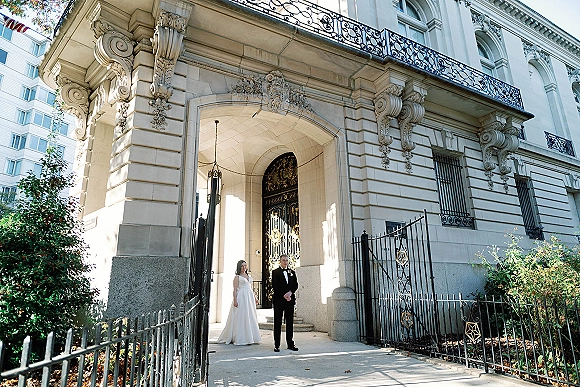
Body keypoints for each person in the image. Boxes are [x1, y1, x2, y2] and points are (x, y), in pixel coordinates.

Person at [217, 260, 261, 345]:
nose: (244, 267)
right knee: (241, 315)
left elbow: (250, 288)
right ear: (239, 267)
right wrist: (235, 300)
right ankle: (241, 337)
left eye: (245, 265)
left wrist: (255, 298)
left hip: (249, 297)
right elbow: (235, 290)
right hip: (241, 297)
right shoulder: (237, 277)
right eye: (242, 266)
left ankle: (251, 336)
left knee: (250, 315)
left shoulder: (249, 275)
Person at [271, 254, 299, 352]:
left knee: (290, 322)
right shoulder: (275, 272)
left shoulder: (292, 272)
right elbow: (275, 286)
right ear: (280, 261)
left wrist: (290, 293)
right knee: (277, 323)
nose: (285, 262)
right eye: (283, 260)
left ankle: (290, 344)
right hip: (279, 301)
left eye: (287, 260)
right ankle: (277, 345)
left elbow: (295, 285)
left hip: (290, 301)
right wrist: (284, 295)